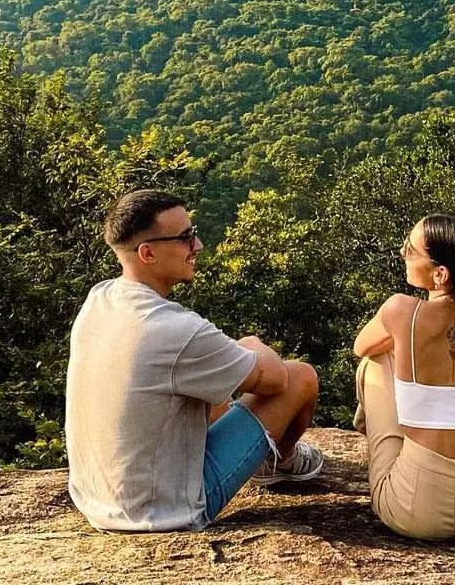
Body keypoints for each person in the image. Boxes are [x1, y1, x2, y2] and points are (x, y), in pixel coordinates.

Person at [65, 189, 323, 532]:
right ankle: (279, 462)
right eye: (186, 237)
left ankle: (268, 458)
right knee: (301, 376)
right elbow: (277, 379)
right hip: (165, 510)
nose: (197, 245)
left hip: (99, 498)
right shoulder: (175, 329)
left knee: (213, 383)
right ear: (147, 253)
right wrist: (250, 343)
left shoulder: (101, 298)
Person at [353, 213, 455, 539]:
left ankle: (386, 437)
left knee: (376, 361)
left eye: (410, 249)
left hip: (411, 509)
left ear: (441, 274)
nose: (402, 253)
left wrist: (406, 343)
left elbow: (362, 346)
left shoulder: (400, 310)